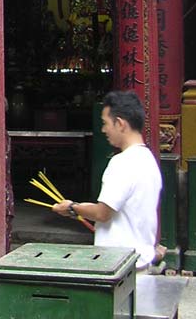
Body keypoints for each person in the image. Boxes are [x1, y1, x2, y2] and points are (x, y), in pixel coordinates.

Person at [52, 90, 163, 271]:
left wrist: (71, 208)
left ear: (120, 123)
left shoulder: (122, 162)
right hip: (139, 261)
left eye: (105, 124)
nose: (103, 130)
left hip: (119, 266)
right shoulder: (148, 159)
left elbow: (103, 213)